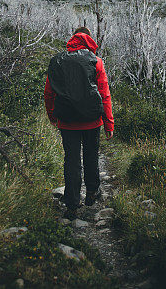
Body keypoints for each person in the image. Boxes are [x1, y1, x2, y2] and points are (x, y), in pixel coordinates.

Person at [44, 27, 114, 218]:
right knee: (91, 155)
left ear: (72, 40)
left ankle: (72, 205)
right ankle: (92, 192)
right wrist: (109, 123)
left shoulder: (57, 61)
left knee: (71, 161)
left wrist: (52, 116)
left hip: (67, 122)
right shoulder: (96, 61)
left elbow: (49, 93)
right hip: (92, 121)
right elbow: (104, 94)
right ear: (89, 40)